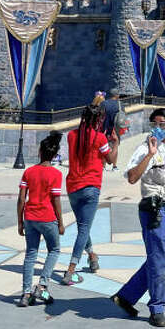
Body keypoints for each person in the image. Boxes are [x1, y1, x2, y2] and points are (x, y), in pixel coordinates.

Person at [111, 108, 165, 327]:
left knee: (160, 258)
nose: (157, 129)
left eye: (162, 125)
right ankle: (157, 307)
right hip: (153, 209)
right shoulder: (144, 149)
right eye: (154, 124)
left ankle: (126, 297)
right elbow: (132, 177)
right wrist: (150, 154)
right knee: (158, 259)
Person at [60, 104, 111, 285]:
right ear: (98, 120)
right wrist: (116, 143)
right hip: (91, 186)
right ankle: (71, 271)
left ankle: (91, 255)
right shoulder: (100, 138)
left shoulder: (72, 136)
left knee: (83, 225)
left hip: (73, 186)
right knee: (84, 228)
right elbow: (111, 160)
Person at [17, 133, 65, 306]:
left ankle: (25, 293)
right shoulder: (56, 174)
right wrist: (60, 222)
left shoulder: (28, 172)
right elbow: (56, 199)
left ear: (39, 151)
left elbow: (21, 198)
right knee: (54, 250)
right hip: (47, 218)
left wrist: (20, 221)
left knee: (31, 253)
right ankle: (42, 286)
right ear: (54, 155)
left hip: (30, 217)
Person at [100, 88, 125, 154]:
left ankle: (105, 160)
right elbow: (123, 114)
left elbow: (101, 115)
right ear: (116, 95)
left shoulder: (103, 103)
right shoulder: (120, 104)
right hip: (116, 128)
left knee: (104, 146)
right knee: (115, 145)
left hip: (106, 128)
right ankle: (114, 163)